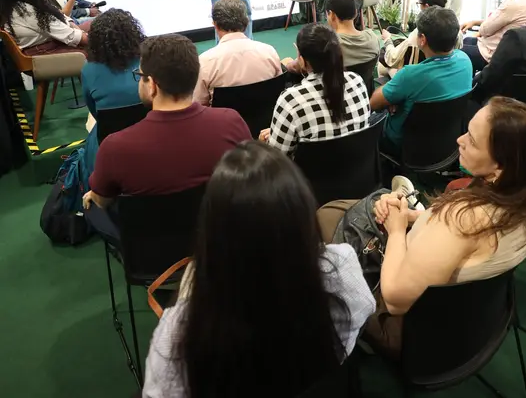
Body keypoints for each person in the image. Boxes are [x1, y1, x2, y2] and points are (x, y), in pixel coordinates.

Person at [142, 141, 375, 398]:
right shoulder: (341, 270)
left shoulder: (180, 332)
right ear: (302, 213)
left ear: (212, 232)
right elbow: (361, 315)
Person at [363, 97, 526, 356]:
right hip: (472, 325)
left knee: (330, 221)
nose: (460, 140)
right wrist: (412, 218)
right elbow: (461, 248)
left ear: (500, 167)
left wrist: (397, 229)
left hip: (413, 331)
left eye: (472, 140)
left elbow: (396, 299)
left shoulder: (461, 220)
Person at [83, 34, 251, 245]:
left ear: (152, 85)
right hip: (222, 242)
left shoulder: (115, 147)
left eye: (140, 75)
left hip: (152, 256)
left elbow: (102, 200)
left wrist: (93, 195)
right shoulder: (232, 122)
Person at [371, 7, 472, 151]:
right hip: (446, 140)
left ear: (422, 39)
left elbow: (374, 103)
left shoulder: (410, 75)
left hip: (403, 144)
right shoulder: (465, 61)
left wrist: (394, 98)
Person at [261, 24, 370, 157]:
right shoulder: (357, 81)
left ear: (302, 61)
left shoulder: (291, 101)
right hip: (357, 171)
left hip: (307, 177)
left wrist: (266, 141)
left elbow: (276, 162)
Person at [80, 9, 145, 182]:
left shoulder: (88, 70)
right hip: (152, 141)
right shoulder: (149, 62)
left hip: (109, 148)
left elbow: (94, 112)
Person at [193, 0, 281, 106]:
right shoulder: (269, 52)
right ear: (246, 22)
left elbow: (199, 105)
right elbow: (279, 92)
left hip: (224, 122)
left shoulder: (205, 62)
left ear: (215, 24)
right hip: (268, 120)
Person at [377, 0, 457, 78]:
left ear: (426, 6)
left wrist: (387, 40)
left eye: (419, 4)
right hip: (444, 73)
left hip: (418, 77)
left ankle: (389, 90)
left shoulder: (417, 36)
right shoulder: (455, 27)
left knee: (382, 65)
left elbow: (391, 58)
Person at [324, 0, 380, 67]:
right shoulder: (372, 39)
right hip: (364, 80)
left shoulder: (327, 46)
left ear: (332, 15)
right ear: (356, 12)